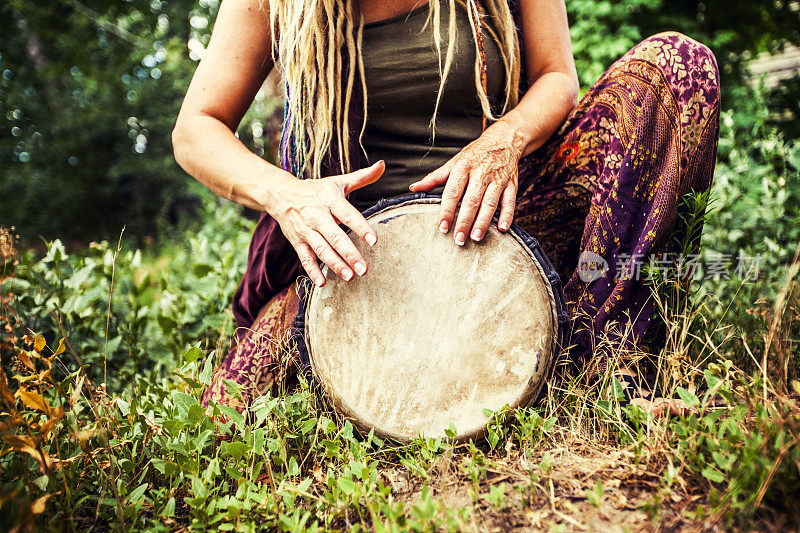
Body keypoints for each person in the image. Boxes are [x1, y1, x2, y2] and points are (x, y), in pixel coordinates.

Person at [172, 0, 720, 418]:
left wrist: (505, 139)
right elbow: (196, 128)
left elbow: (557, 75)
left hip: (507, 220)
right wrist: (287, 195)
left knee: (678, 66)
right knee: (225, 418)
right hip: (357, 255)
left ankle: (609, 365)